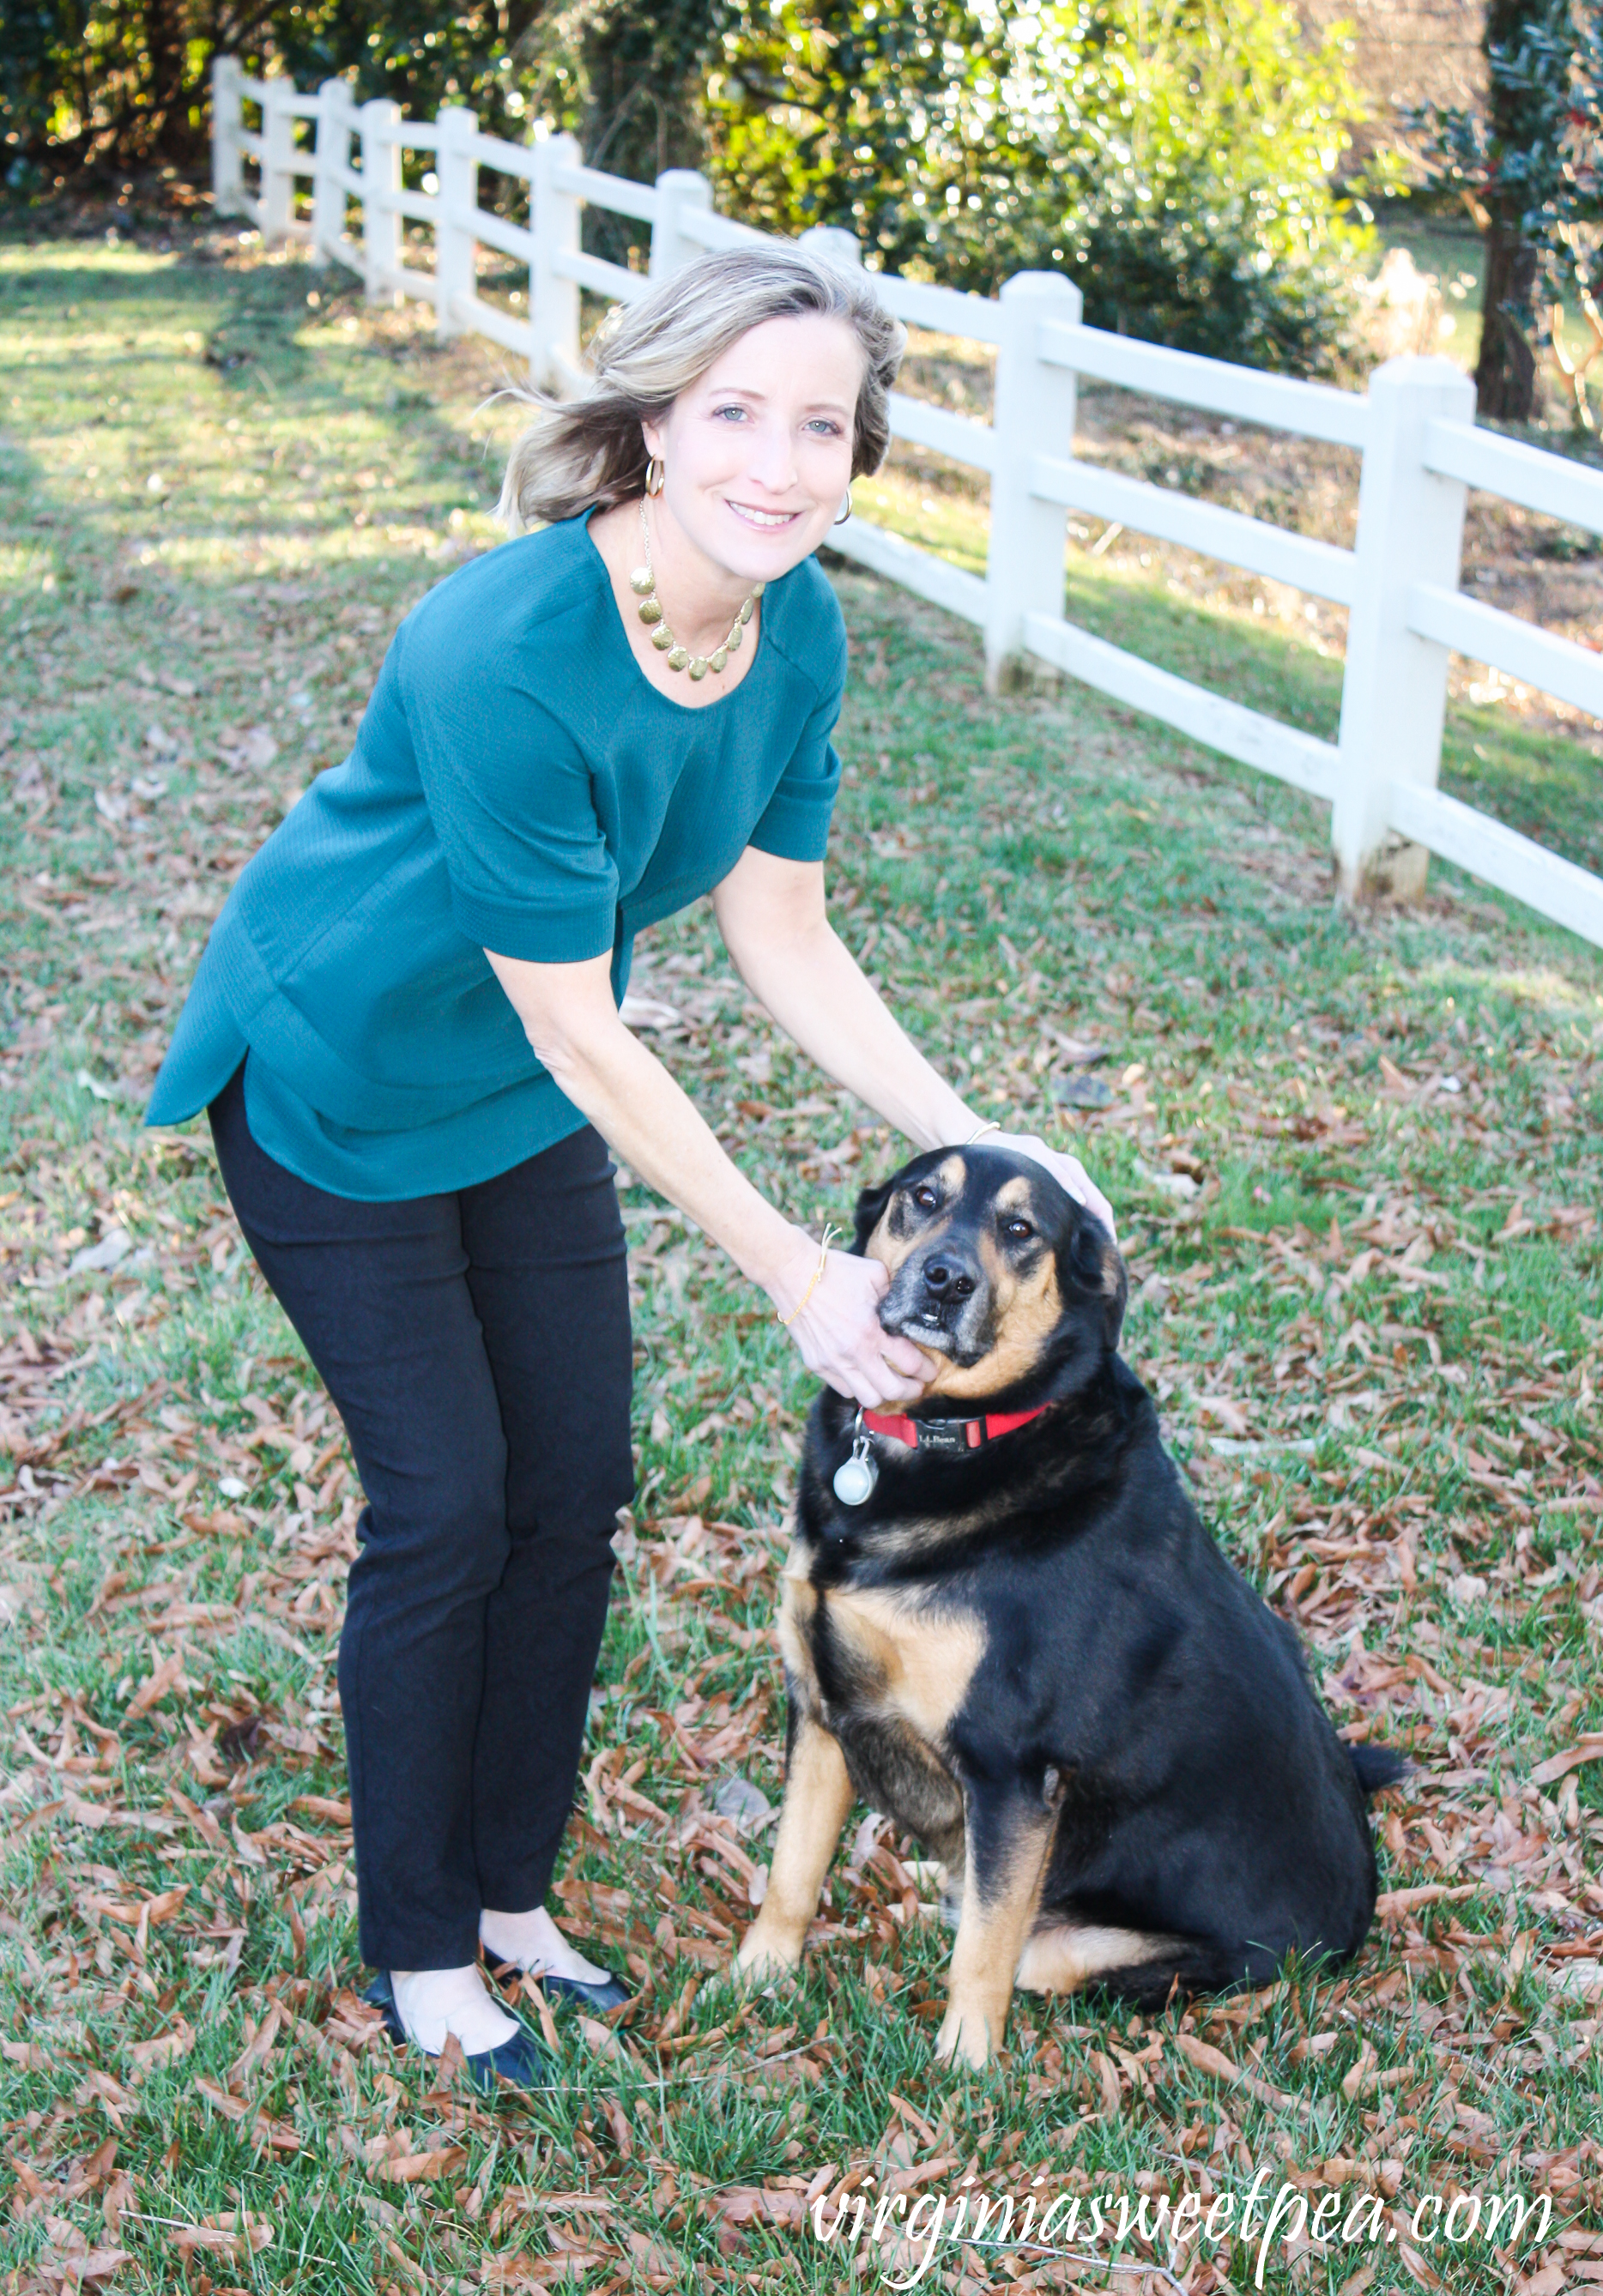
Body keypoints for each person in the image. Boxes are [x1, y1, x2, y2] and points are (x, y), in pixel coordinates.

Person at [145, 243, 1113, 2089]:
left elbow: (786, 938)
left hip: (521, 1093)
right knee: (445, 1504)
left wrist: (982, 1144)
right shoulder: (499, 645)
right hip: (338, 1080)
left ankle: (510, 1896)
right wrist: (794, 1268)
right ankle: (420, 1949)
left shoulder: (792, 626)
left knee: (572, 1485)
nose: (774, 460)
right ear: (653, 426)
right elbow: (587, 1025)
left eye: (817, 423)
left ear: (858, 452)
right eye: (732, 412)